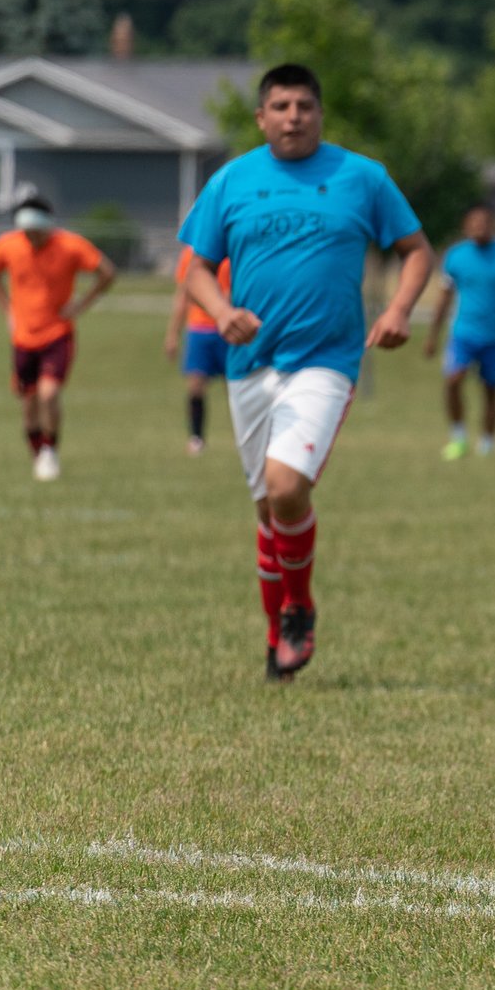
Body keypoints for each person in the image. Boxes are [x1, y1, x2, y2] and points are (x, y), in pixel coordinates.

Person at [177, 62, 431, 680]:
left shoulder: (362, 177)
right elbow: (194, 270)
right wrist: (221, 310)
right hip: (248, 365)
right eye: (282, 106)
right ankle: (277, 636)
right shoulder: (233, 180)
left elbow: (416, 251)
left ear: (320, 114)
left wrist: (399, 309)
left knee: (288, 487)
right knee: (268, 510)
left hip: (328, 361)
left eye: (305, 106)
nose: (294, 116)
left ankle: (299, 606)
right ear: (261, 116)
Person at [0, 193, 116, 481]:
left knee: (49, 393)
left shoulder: (70, 245)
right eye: (26, 233)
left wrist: (81, 304)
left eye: (35, 233)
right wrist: (8, 310)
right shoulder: (9, 245)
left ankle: (50, 451)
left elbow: (106, 272)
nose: (30, 239)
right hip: (22, 337)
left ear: (46, 226)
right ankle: (38, 454)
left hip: (57, 333)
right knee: (28, 404)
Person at [424, 201, 495, 459]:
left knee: (491, 389)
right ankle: (458, 436)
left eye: (484, 222)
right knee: (453, 380)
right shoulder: (455, 256)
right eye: (474, 222)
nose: (479, 227)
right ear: (465, 225)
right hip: (463, 333)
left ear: (493, 224)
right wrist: (433, 335)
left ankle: (487, 443)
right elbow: (444, 297)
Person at [163, 247, 231, 456]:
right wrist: (173, 333)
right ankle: (197, 438)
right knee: (195, 384)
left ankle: (248, 435)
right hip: (200, 328)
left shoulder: (235, 246)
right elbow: (183, 293)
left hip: (230, 326)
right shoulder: (191, 253)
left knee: (237, 386)